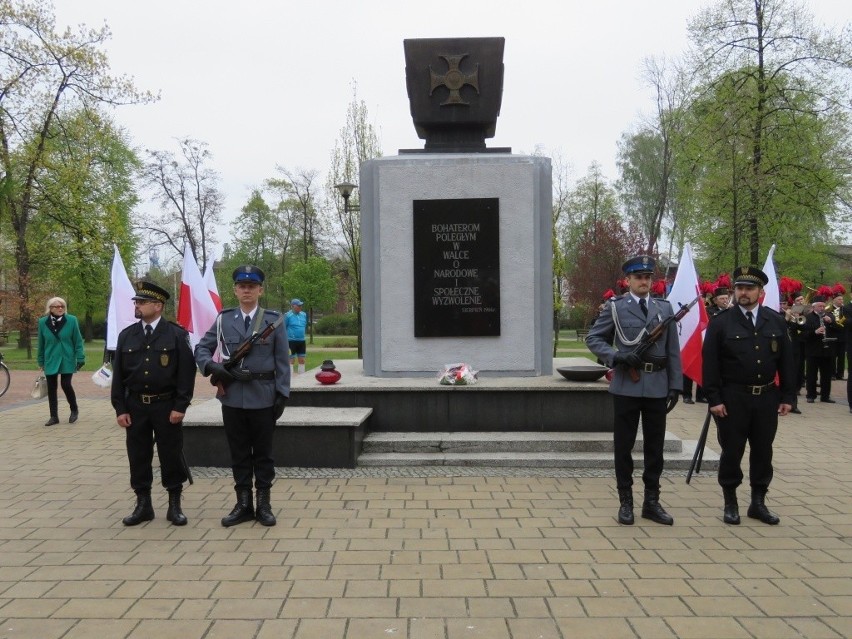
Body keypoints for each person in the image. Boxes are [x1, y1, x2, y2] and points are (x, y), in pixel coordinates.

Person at [586, 255, 682, 526]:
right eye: (638, 277)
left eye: (647, 277)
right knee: (623, 446)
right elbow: (594, 338)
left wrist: (675, 385)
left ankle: (651, 502)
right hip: (627, 385)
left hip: (657, 385)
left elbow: (672, 351)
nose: (644, 281)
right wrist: (617, 357)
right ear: (627, 280)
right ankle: (625, 501)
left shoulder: (664, 308)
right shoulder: (616, 307)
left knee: (655, 448)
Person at [195, 265, 290, 527]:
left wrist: (282, 393)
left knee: (263, 453)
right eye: (242, 286)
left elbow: (283, 360)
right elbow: (202, 348)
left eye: (252, 286)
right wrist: (211, 366)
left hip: (264, 396)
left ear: (260, 289)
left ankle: (264, 505)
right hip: (233, 396)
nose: (247, 290)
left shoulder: (274, 320)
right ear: (235, 290)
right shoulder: (224, 319)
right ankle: (243, 504)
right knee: (238, 452)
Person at [702, 266, 795, 526]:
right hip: (733, 398)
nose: (743, 293)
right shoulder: (721, 322)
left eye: (749, 288)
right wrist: (714, 399)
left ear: (760, 292)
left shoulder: (774, 320)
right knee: (732, 451)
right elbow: (710, 365)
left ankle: (758, 502)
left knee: (763, 451)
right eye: (739, 288)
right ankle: (730, 502)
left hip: (766, 397)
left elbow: (786, 361)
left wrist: (788, 395)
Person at [111, 282, 196, 526]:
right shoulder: (127, 335)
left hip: (166, 405)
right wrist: (120, 408)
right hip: (136, 405)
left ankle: (174, 504)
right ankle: (143, 504)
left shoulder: (177, 335)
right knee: (138, 455)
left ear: (157, 306)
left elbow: (185, 374)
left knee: (170, 453)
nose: (136, 305)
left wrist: (181, 405)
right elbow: (119, 376)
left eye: (141, 302)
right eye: (136, 302)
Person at [37, 297, 85, 427]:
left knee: (66, 384)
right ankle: (54, 416)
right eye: (57, 306)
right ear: (50, 308)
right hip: (50, 359)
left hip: (66, 357)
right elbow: (41, 343)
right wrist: (40, 360)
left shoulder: (71, 320)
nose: (60, 308)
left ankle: (74, 409)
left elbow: (78, 340)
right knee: (51, 388)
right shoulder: (42, 322)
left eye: (62, 306)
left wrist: (80, 357)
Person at [802, 295, 838, 404]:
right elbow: (804, 334)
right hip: (813, 350)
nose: (822, 308)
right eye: (820, 306)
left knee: (826, 375)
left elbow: (839, 329)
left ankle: (825, 396)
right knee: (811, 374)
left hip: (827, 350)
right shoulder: (808, 317)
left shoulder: (830, 316)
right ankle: (811, 395)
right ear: (814, 307)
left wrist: (831, 322)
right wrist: (815, 332)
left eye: (823, 306)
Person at [285, 298, 309, 374]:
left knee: (302, 360)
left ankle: (302, 379)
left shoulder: (304, 314)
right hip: (291, 341)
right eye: (298, 305)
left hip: (301, 341)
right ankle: (290, 379)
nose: (300, 307)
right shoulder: (288, 315)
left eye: (301, 305)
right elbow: (283, 327)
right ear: (292, 306)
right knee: (291, 360)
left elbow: (304, 325)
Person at [831, 292, 846, 380]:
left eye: (842, 299)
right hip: (833, 335)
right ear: (834, 300)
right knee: (832, 356)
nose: (841, 301)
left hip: (842, 336)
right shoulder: (830, 309)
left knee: (841, 356)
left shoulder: (844, 309)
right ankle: (832, 373)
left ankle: (840, 374)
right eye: (839, 299)